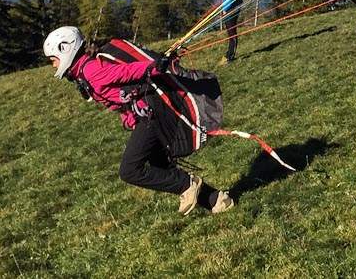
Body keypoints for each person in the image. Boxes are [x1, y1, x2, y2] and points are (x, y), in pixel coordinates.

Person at [43, 26, 233, 216]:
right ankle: (217, 200)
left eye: (53, 60)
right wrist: (128, 116)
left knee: (130, 170)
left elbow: (126, 72)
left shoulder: (90, 70)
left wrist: (154, 66)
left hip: (151, 117)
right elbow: (120, 93)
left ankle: (187, 185)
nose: (53, 65)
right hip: (145, 115)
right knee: (159, 166)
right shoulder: (84, 72)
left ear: (65, 50)